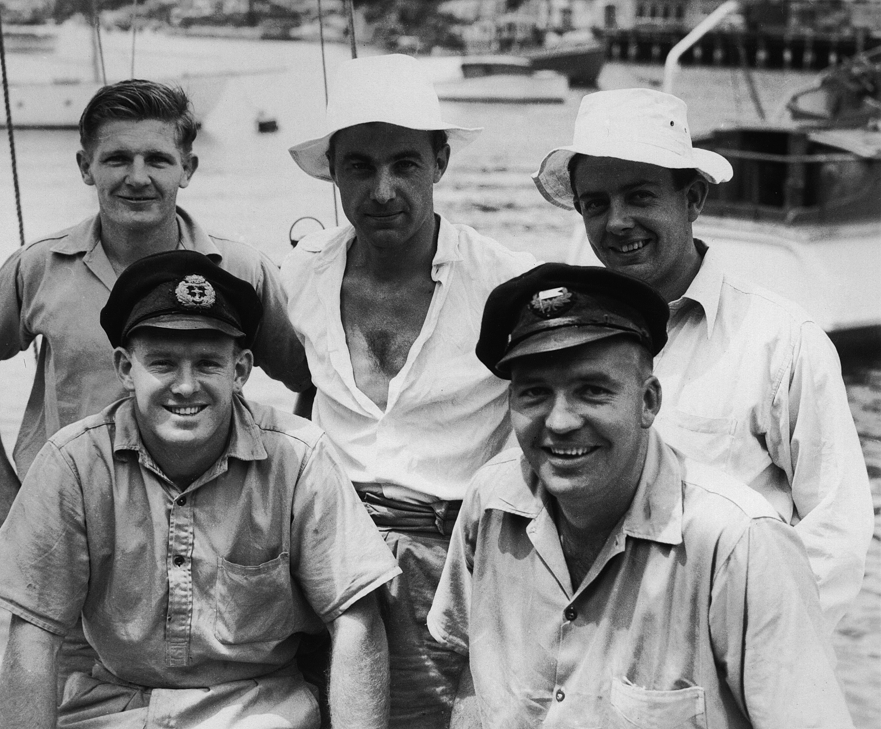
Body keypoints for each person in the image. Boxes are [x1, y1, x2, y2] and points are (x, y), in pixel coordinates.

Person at [0, 250, 399, 729]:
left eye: (207, 364)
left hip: (256, 708)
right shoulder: (72, 462)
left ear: (239, 371)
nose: (185, 386)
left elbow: (355, 617)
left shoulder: (298, 459)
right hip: (115, 704)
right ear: (124, 368)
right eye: (162, 363)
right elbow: (33, 632)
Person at [427, 263, 855, 728]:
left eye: (592, 391)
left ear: (649, 401)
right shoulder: (490, 501)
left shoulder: (739, 545)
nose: (560, 421)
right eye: (533, 394)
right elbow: (473, 676)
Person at [531, 88, 872, 630]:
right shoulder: (557, 342)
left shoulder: (781, 340)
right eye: (596, 203)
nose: (617, 222)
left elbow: (836, 533)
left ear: (692, 200)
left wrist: (747, 645)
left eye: (639, 197)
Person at [281, 54, 537, 727]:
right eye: (359, 166)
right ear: (333, 171)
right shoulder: (299, 276)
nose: (383, 188)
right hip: (317, 554)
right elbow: (292, 391)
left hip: (447, 560)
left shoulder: (507, 285)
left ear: (440, 162)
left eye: (405, 163)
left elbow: (544, 433)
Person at [0, 78, 310, 530]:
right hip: (65, 521)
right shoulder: (40, 266)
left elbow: (313, 378)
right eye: (117, 159)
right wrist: (0, 488)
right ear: (85, 166)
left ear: (187, 169)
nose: (137, 178)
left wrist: (287, 480)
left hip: (207, 525)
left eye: (157, 159)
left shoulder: (240, 270)